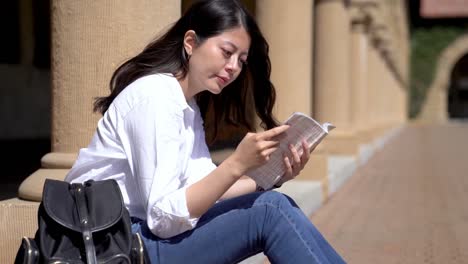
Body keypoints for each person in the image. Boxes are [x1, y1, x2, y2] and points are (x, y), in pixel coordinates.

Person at [65, 0, 346, 263]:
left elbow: (204, 188)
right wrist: (236, 163)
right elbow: (163, 218)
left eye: (242, 60)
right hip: (117, 246)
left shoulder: (186, 106)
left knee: (274, 202)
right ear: (190, 42)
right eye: (227, 52)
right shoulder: (155, 97)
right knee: (270, 211)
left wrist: (272, 176)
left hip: (139, 238)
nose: (234, 67)